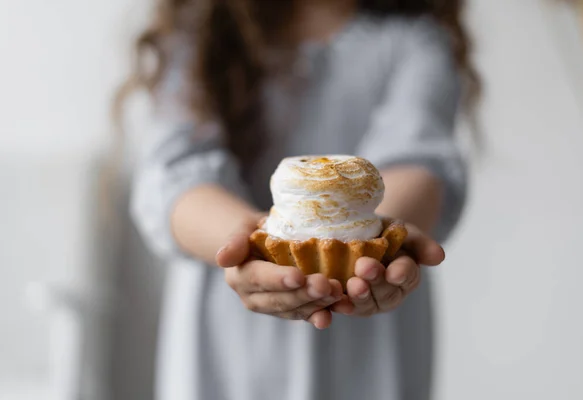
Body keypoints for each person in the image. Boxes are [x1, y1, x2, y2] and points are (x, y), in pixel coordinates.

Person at [122, 0, 478, 399]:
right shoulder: (197, 34)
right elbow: (174, 175)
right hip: (229, 331)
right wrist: (248, 243)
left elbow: (417, 157)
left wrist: (376, 247)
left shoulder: (414, 38)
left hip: (371, 328)